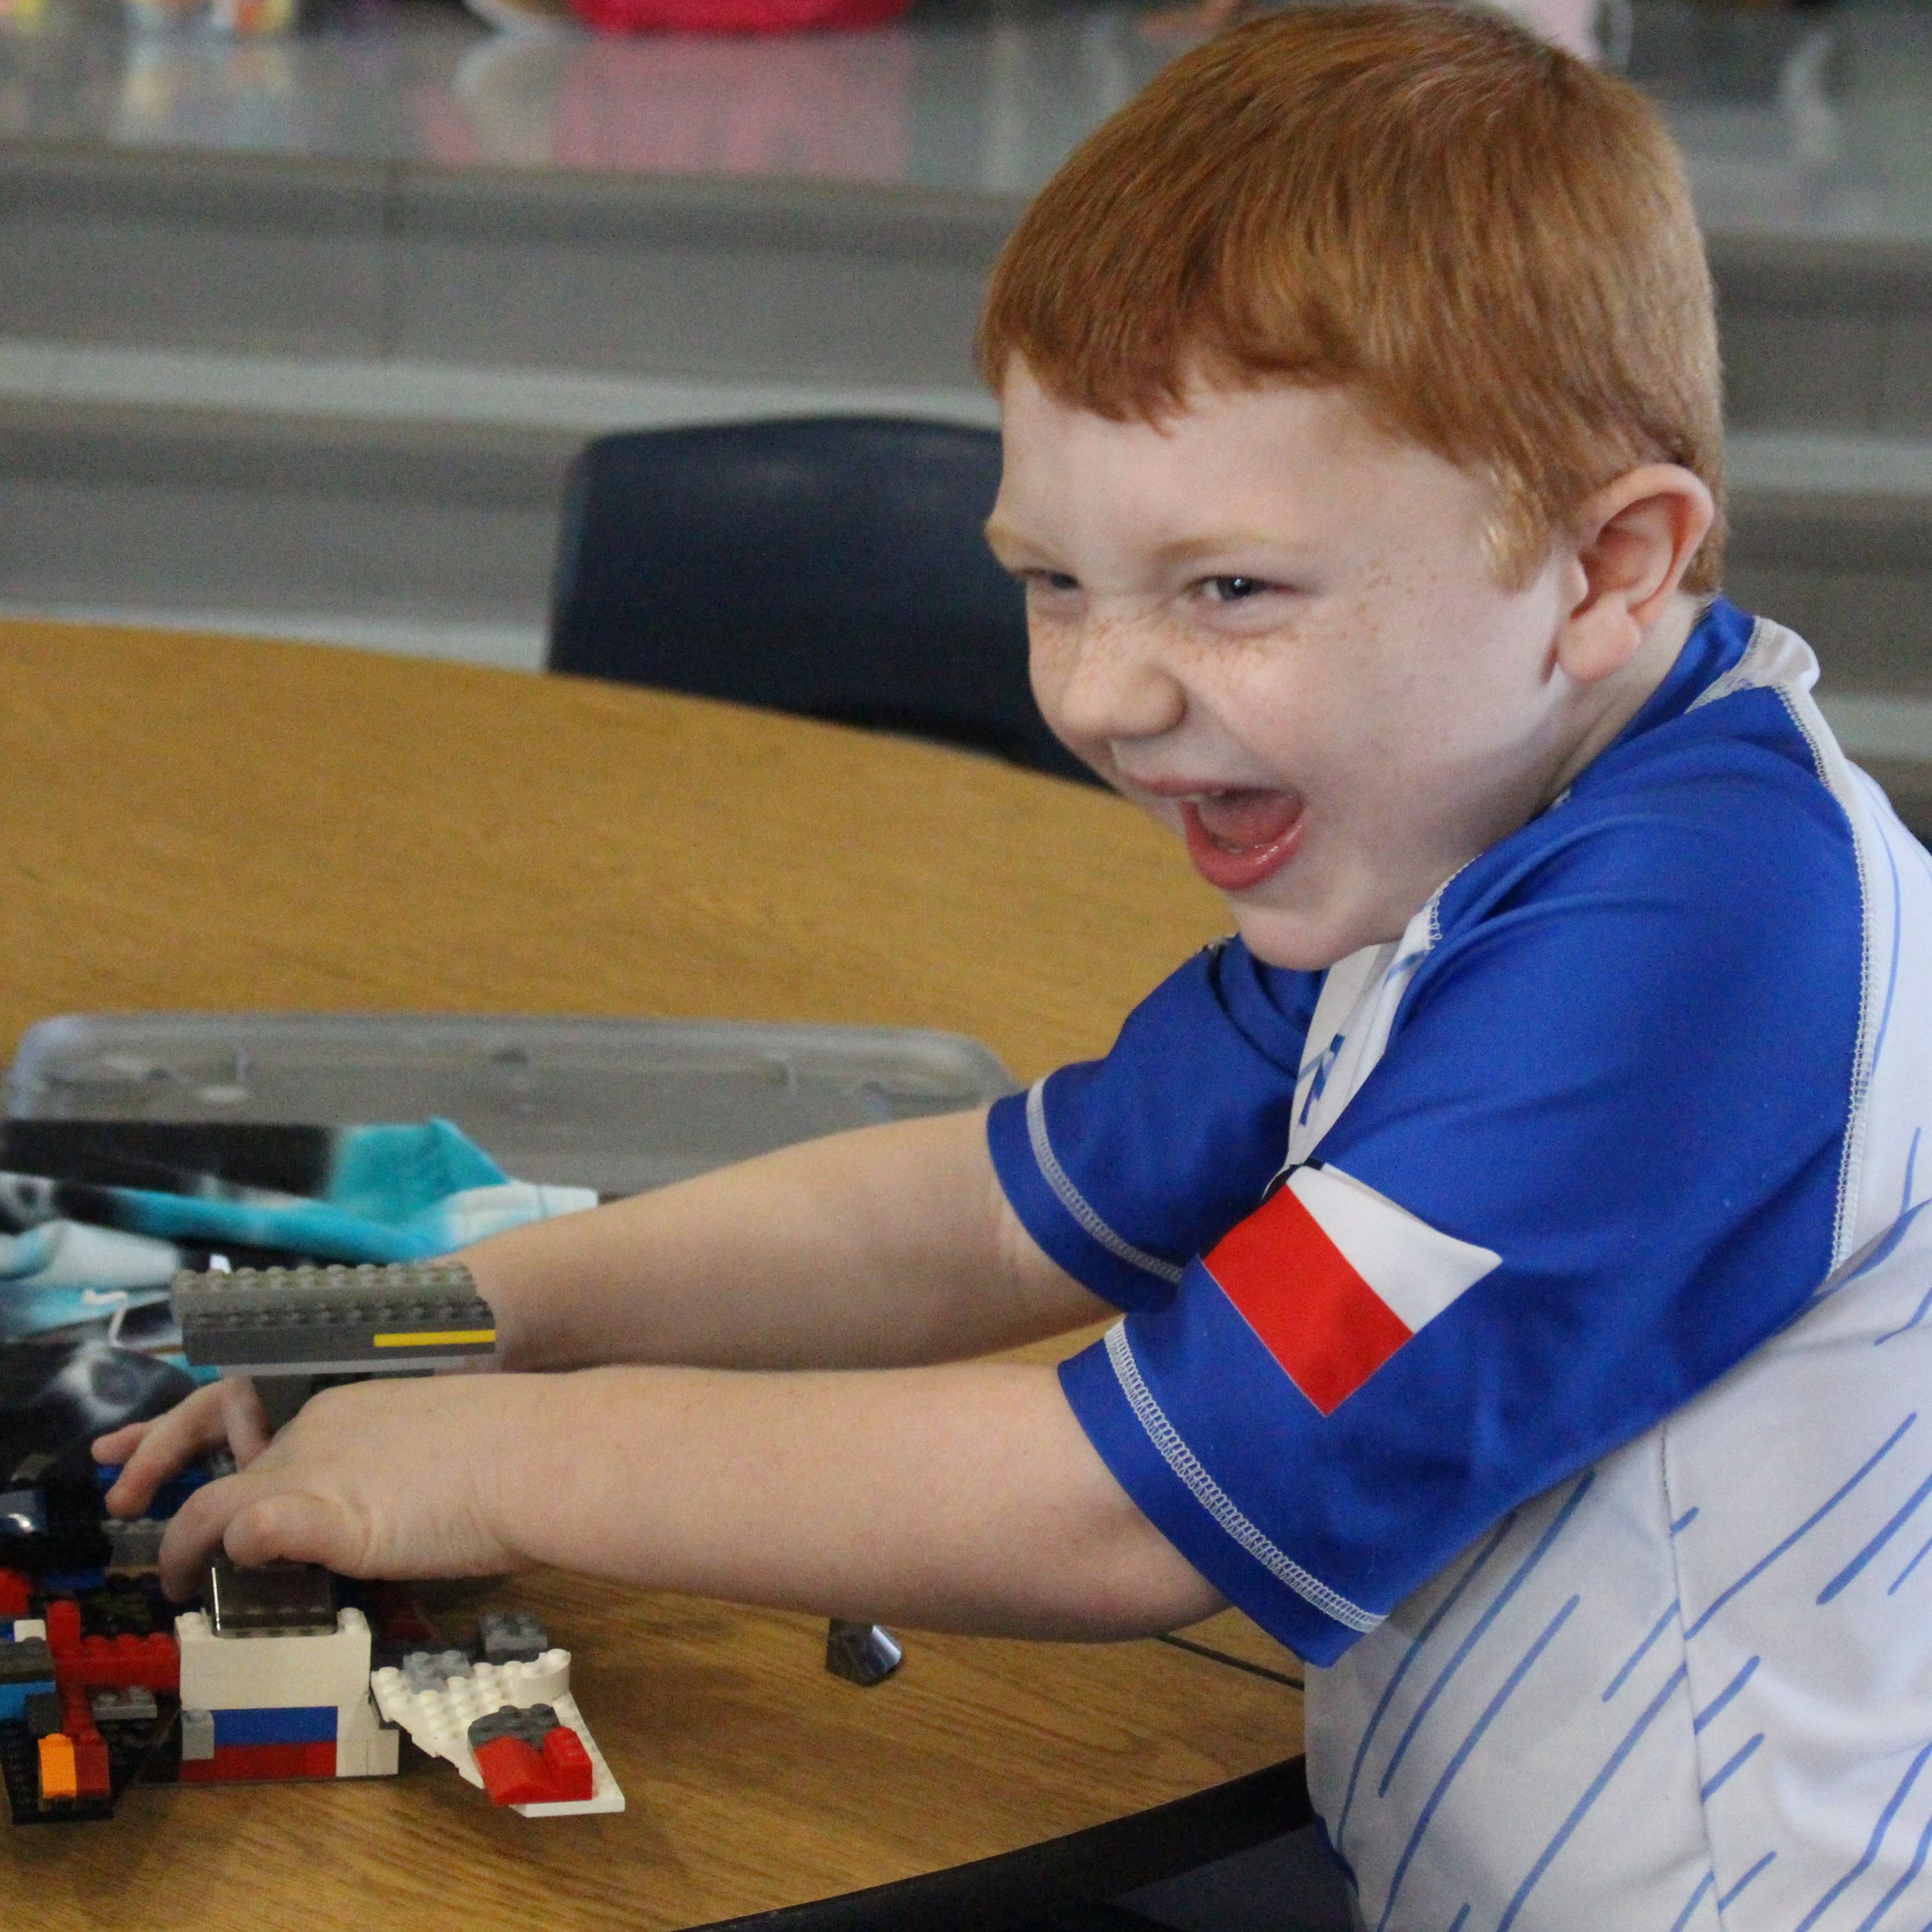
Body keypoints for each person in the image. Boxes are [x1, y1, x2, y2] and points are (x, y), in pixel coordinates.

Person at [94, 6, 1932, 1925]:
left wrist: (478, 1460)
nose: (1100, 696)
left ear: (1614, 566)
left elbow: (1121, 1504)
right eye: (1052, 580)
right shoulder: (1477, 817)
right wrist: (443, 1314)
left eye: (1231, 590)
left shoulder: (1701, 950)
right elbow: (996, 1210)